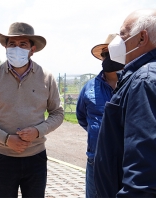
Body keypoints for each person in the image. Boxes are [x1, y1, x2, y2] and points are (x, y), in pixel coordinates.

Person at [0, 22, 64, 197]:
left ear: (32, 49)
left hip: (36, 156)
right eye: (11, 44)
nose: (16, 48)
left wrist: (38, 131)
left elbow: (57, 113)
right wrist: (6, 139)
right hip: (3, 158)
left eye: (22, 44)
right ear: (5, 47)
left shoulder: (46, 77)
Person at [94, 9, 156, 197]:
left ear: (142, 38)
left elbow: (143, 162)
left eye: (123, 34)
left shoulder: (144, 80)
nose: (117, 42)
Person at [76, 34, 124, 198]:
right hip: (96, 161)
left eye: (113, 52)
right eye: (105, 54)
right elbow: (82, 117)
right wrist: (99, 132)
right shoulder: (89, 88)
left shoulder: (134, 83)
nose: (108, 57)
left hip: (127, 161)